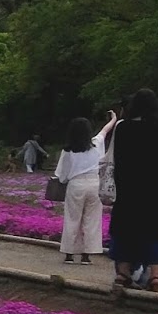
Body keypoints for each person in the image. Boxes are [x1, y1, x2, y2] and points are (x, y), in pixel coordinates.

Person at [107, 89, 158, 293]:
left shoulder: (123, 128)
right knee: (155, 230)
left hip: (128, 188)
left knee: (126, 228)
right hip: (154, 188)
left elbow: (116, 158)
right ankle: (155, 276)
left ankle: (123, 272)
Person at [55, 113, 119, 265]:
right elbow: (105, 131)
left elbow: (62, 176)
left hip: (76, 185)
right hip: (94, 184)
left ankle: (69, 254)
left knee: (72, 219)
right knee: (92, 220)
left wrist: (65, 179)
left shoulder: (68, 150)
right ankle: (86, 255)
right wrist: (114, 119)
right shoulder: (96, 144)